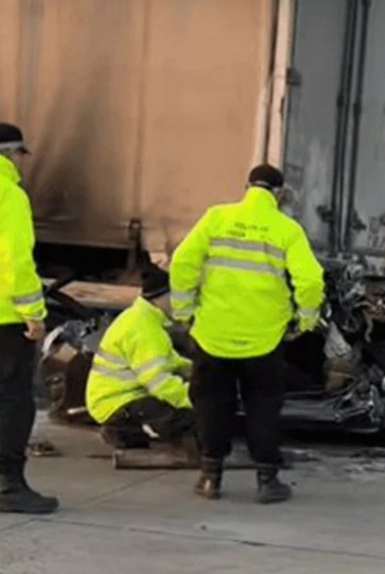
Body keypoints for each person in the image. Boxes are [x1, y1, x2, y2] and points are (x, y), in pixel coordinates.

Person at [169, 164, 324, 503]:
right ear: (280, 193)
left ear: (247, 187)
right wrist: (306, 320)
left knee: (211, 405)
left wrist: (184, 313)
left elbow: (182, 263)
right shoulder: (287, 229)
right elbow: (311, 281)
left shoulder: (216, 218)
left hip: (212, 334)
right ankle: (267, 481)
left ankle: (210, 477)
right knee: (263, 407)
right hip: (264, 339)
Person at [0, 122, 58, 514]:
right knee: (14, 401)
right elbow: (17, 262)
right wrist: (34, 314)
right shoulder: (9, 195)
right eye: (21, 154)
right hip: (5, 320)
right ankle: (9, 485)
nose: (22, 162)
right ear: (9, 153)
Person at [86, 264, 197, 457]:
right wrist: (196, 399)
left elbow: (168, 360)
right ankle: (124, 432)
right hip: (118, 403)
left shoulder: (145, 319)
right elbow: (160, 383)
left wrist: (197, 370)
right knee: (189, 419)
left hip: (122, 396)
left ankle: (131, 431)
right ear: (163, 298)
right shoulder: (144, 330)